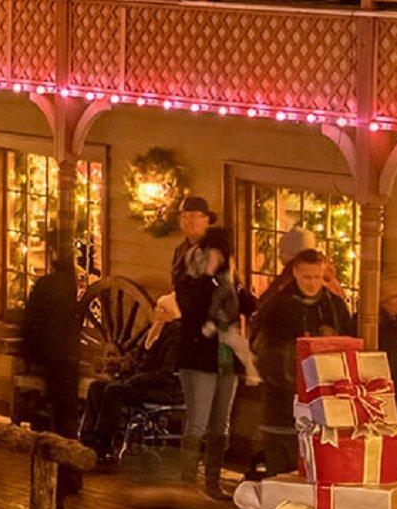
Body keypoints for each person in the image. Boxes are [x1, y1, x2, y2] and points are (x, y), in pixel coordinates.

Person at [240, 242, 352, 477]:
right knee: (283, 454)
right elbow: (261, 347)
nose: (312, 283)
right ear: (295, 274)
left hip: (323, 393)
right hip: (283, 395)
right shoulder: (278, 307)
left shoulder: (335, 308)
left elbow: (349, 344)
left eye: (317, 277)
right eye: (306, 277)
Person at [151, 194, 236, 482]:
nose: (189, 221)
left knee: (221, 421)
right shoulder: (180, 253)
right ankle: (188, 480)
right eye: (184, 217)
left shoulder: (220, 250)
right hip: (197, 346)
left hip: (225, 344)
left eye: (195, 216)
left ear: (207, 220)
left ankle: (212, 480)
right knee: (198, 419)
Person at [16, 231, 85, 442]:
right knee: (67, 407)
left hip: (49, 354)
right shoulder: (72, 284)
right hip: (70, 353)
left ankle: (56, 444)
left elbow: (31, 321)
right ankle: (69, 445)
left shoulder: (45, 284)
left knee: (58, 405)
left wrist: (31, 351)